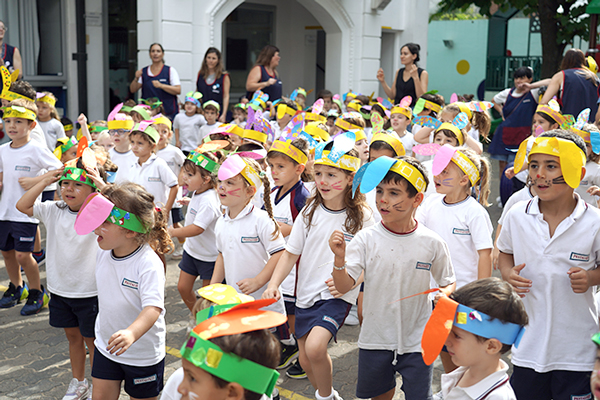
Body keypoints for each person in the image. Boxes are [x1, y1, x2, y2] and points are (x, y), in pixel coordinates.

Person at [328, 155, 455, 400]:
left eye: (394, 193)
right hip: (375, 340)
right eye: (379, 191)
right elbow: (343, 286)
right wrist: (339, 259)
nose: (383, 200)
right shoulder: (366, 239)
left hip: (418, 342)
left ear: (417, 199)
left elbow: (448, 280)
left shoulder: (432, 242)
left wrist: (445, 294)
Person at [264, 135, 374, 400]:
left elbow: (371, 262)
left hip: (336, 296)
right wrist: (273, 283)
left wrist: (353, 282)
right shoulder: (309, 211)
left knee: (315, 348)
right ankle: (327, 394)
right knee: (305, 358)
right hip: (305, 294)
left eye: (331, 175)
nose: (323, 181)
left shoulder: (363, 216)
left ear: (350, 178)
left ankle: (324, 397)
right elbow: (290, 254)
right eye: (319, 173)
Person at [498, 130, 600, 399]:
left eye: (551, 166)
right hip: (528, 347)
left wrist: (591, 278)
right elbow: (504, 252)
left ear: (577, 173)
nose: (539, 174)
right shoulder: (517, 215)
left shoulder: (595, 221)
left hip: (578, 351)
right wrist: (507, 272)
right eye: (534, 165)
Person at [73, 183, 171, 399]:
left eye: (105, 222)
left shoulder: (148, 263)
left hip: (142, 355)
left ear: (129, 230)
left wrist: (131, 333)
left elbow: (153, 308)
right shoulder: (104, 249)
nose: (96, 228)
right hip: (106, 346)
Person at [16, 157, 102, 400]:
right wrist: (45, 180)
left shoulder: (99, 212)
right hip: (60, 290)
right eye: (65, 183)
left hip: (89, 291)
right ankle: (79, 383)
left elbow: (123, 208)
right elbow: (22, 205)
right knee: (73, 338)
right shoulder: (54, 210)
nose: (69, 189)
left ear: (92, 188)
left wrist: (101, 185)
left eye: (78, 185)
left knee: (93, 341)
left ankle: (99, 386)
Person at [417, 146, 493, 373]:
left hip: (464, 295)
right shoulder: (430, 203)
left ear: (463, 179)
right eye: (438, 170)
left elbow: (485, 254)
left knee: (463, 347)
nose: (437, 176)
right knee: (444, 344)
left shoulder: (474, 212)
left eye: (445, 172)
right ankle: (452, 384)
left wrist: (481, 295)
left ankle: (468, 384)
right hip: (435, 292)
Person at [0, 100, 62, 315]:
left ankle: (37, 292)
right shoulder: (2, 150)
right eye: (8, 121)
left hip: (25, 213)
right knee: (7, 252)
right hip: (4, 212)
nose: (12, 126)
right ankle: (17, 287)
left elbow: (59, 169)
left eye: (18, 121)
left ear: (32, 125)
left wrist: (36, 181)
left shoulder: (36, 149)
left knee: (23, 256)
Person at [426, 278, 528, 399]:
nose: (446, 341)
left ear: (491, 346)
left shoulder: (497, 397)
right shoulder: (463, 371)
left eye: (457, 336)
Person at [266, 137, 311, 378]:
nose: (274, 171)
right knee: (281, 308)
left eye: (280, 167)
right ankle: (291, 345)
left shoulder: (301, 196)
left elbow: (307, 229)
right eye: (272, 166)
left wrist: (282, 230)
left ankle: (305, 356)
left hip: (295, 267)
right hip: (278, 263)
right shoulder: (273, 192)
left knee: (293, 313)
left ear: (299, 168)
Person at [168, 150, 222, 311]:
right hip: (192, 251)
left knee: (208, 297)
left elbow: (198, 228)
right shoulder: (199, 192)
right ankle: (197, 315)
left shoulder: (209, 200)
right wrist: (191, 202)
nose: (184, 177)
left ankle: (207, 319)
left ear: (206, 179)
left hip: (209, 257)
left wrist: (173, 232)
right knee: (183, 288)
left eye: (190, 175)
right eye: (185, 172)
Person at [115, 123, 178, 224]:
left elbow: (174, 185)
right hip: (138, 216)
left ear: (152, 146)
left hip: (157, 218)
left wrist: (166, 210)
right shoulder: (133, 166)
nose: (134, 147)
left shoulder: (159, 164)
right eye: (132, 142)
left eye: (140, 143)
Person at [490, 67, 539, 179]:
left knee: (519, 167)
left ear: (530, 79)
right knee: (503, 167)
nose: (518, 81)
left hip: (523, 135)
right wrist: (502, 113)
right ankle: (503, 188)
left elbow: (550, 82)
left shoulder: (534, 93)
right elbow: (494, 101)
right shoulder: (507, 93)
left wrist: (531, 86)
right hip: (505, 133)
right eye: (516, 78)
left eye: (522, 78)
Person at [129, 43, 181, 120]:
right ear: (150, 54)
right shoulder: (144, 71)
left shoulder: (170, 70)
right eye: (153, 51)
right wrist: (136, 78)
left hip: (167, 112)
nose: (155, 54)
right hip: (148, 113)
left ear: (162, 54)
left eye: (158, 51)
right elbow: (133, 90)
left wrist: (161, 86)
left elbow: (178, 90)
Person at [377, 43, 428, 107]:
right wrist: (382, 81)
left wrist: (416, 78)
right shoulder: (399, 72)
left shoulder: (423, 73)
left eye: (405, 54)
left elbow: (422, 97)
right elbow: (392, 96)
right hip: (397, 109)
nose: (402, 56)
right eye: (401, 54)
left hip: (412, 110)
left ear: (414, 56)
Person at [196, 47, 231, 122]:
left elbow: (226, 96)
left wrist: (224, 114)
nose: (211, 61)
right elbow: (197, 93)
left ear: (218, 60)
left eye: (213, 58)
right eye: (209, 58)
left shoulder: (224, 76)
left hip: (217, 113)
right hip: (203, 113)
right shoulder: (201, 74)